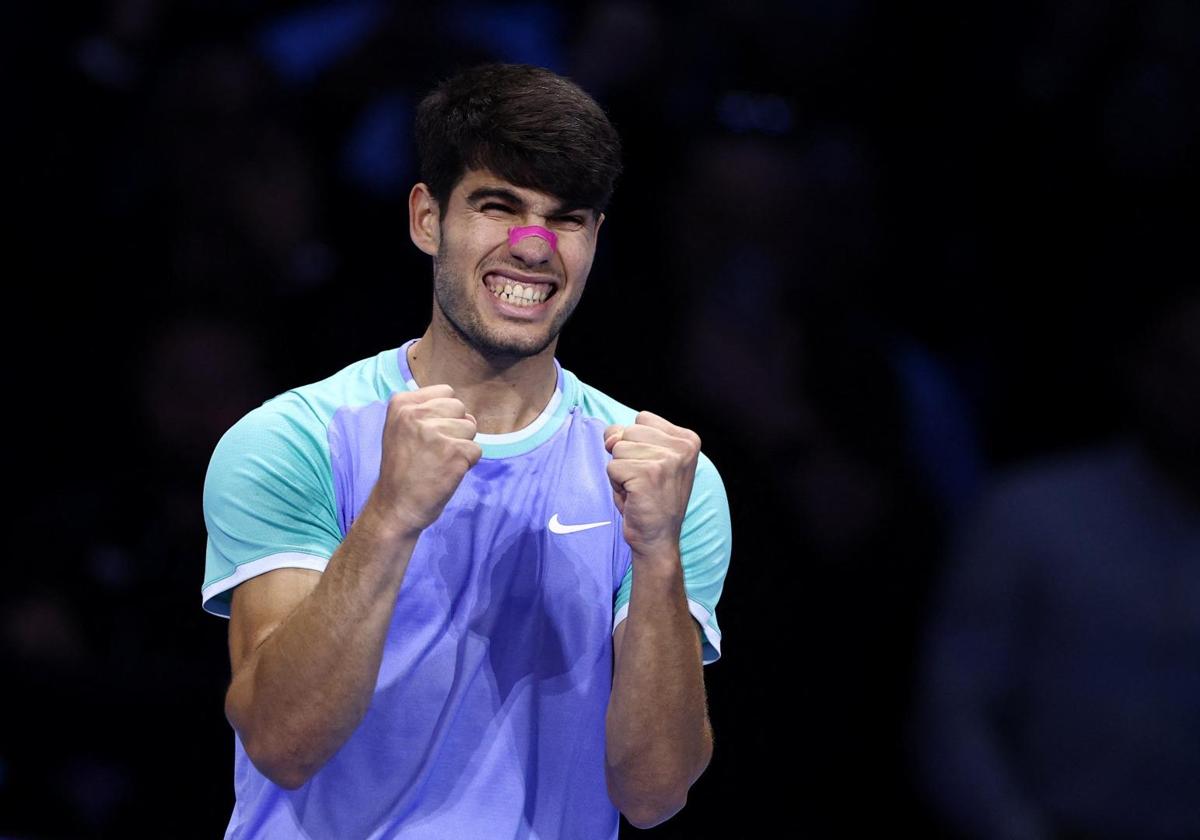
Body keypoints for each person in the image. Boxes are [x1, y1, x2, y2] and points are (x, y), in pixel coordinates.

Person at [200, 63, 731, 839]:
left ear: (594, 241)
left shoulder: (664, 478)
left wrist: (656, 555)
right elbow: (283, 742)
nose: (532, 246)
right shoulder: (290, 440)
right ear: (426, 218)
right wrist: (389, 516)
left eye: (566, 218)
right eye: (499, 206)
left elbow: (653, 794)